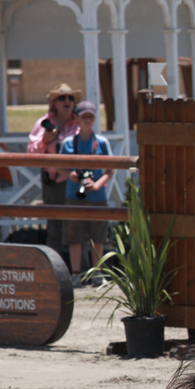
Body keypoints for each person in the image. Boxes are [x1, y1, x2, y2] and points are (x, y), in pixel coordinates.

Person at [60, 100, 113, 288]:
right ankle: (76, 274)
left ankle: (97, 273)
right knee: (74, 237)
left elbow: (110, 170)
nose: (88, 120)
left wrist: (97, 185)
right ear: (77, 119)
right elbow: (60, 168)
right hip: (74, 196)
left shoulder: (102, 142)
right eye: (84, 117)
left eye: (91, 117)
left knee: (98, 237)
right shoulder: (67, 143)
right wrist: (71, 175)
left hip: (97, 197)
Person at [27, 83, 81, 257]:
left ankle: (82, 270)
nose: (67, 101)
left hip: (75, 180)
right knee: (55, 227)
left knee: (79, 225)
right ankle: (54, 268)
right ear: (54, 103)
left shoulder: (80, 122)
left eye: (70, 98)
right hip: (53, 182)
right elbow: (31, 152)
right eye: (62, 98)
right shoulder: (44, 123)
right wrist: (45, 139)